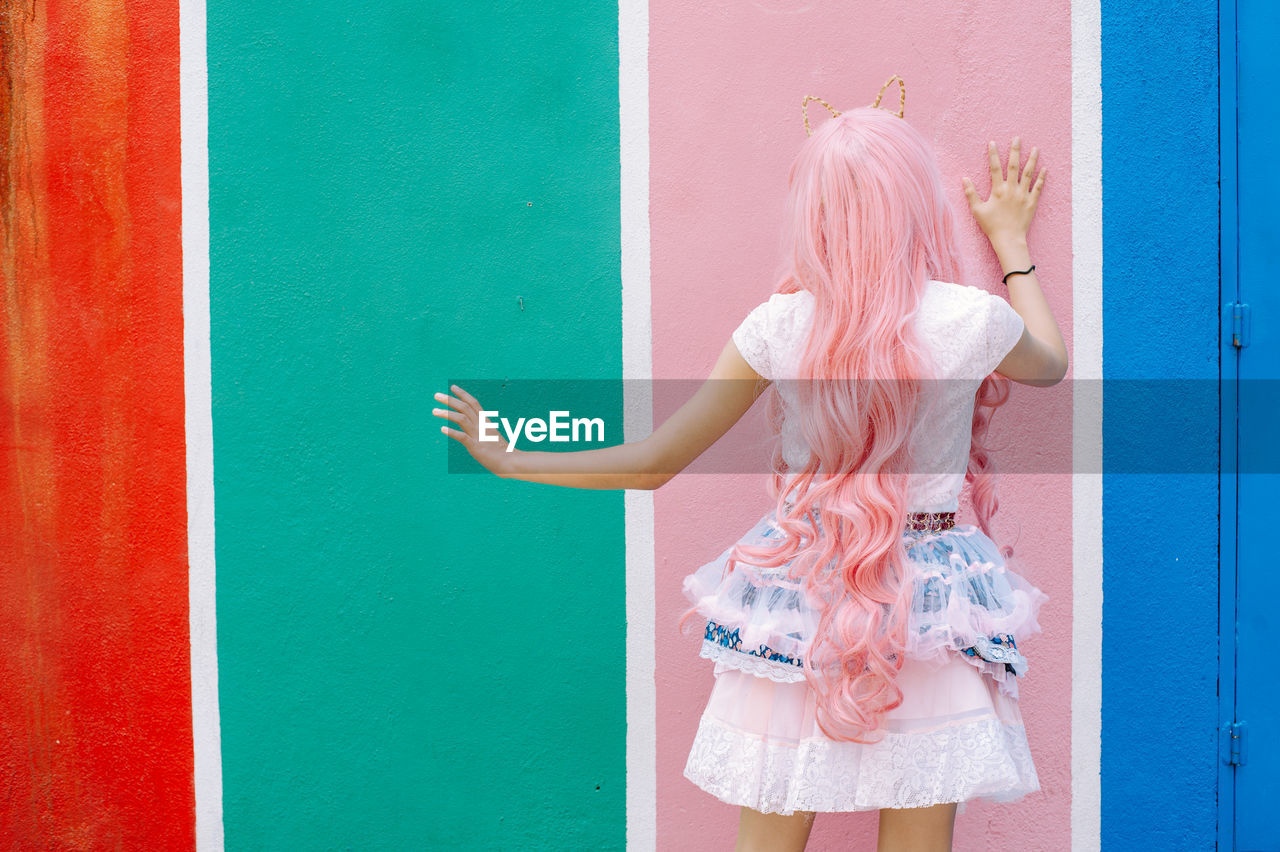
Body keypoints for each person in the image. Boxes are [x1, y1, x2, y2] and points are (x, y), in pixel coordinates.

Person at [434, 99, 1068, 851]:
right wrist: (1009, 242)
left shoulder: (778, 325)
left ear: (815, 214)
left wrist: (512, 459)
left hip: (799, 596)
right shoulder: (971, 320)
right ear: (914, 205)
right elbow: (1052, 367)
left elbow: (654, 462)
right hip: (937, 605)